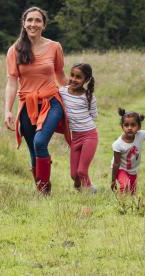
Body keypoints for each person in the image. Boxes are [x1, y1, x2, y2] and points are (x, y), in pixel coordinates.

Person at [4, 6, 70, 195]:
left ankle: (44, 188)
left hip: (51, 102)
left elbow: (60, 74)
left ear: (44, 25)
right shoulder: (14, 50)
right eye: (29, 20)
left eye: (37, 20)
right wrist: (8, 110)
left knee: (40, 143)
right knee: (33, 150)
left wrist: (75, 100)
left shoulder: (54, 47)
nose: (33, 24)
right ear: (24, 24)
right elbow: (11, 82)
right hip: (27, 105)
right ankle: (43, 190)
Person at [59, 63, 99, 192]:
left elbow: (93, 116)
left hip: (89, 135)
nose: (73, 79)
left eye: (78, 77)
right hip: (75, 137)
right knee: (74, 175)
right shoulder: (62, 91)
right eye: (72, 75)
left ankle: (91, 193)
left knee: (82, 171)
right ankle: (82, 190)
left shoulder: (89, 97)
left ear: (86, 80)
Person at [111, 108, 145, 194]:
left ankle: (131, 205)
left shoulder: (140, 135)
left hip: (133, 170)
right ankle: (122, 204)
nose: (129, 128)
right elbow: (116, 163)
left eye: (133, 125)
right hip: (120, 169)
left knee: (132, 192)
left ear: (139, 127)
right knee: (126, 185)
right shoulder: (118, 144)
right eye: (126, 125)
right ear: (122, 126)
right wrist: (113, 180)